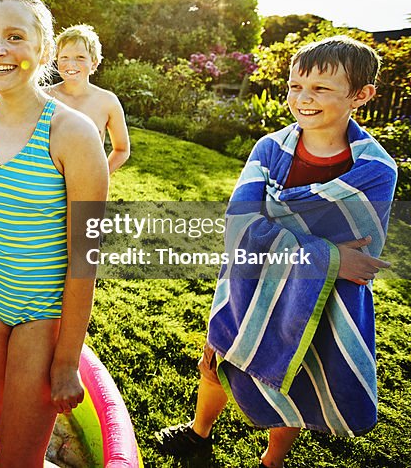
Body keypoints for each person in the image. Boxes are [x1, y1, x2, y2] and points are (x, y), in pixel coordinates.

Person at [154, 36, 397, 467]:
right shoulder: (269, 150)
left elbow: (363, 244)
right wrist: (331, 258)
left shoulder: (374, 170)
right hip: (247, 287)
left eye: (320, 89)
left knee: (292, 380)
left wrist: (288, 235)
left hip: (315, 304)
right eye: (294, 86)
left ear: (361, 95)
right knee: (214, 366)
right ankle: (198, 433)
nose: (303, 98)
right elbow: (241, 225)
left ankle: (272, 460)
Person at [0, 0, 109, 467]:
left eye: (14, 37)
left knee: (20, 456)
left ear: (42, 49)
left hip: (42, 310)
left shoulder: (73, 135)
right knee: (4, 422)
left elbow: (86, 257)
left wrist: (66, 359)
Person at [44, 24, 130, 174]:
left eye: (80, 57)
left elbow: (122, 149)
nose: (71, 64)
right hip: (46, 186)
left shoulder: (108, 102)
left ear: (94, 63)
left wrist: (99, 175)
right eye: (64, 57)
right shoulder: (43, 96)